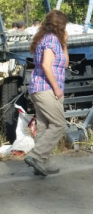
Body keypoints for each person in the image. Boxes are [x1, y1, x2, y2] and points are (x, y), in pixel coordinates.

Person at [24, 10, 69, 176]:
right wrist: (56, 88)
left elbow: (64, 64)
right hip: (46, 88)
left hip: (38, 88)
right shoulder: (51, 40)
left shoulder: (49, 39)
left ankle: (43, 163)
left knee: (44, 126)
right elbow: (46, 64)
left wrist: (64, 44)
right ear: (61, 25)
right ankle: (36, 156)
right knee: (59, 124)